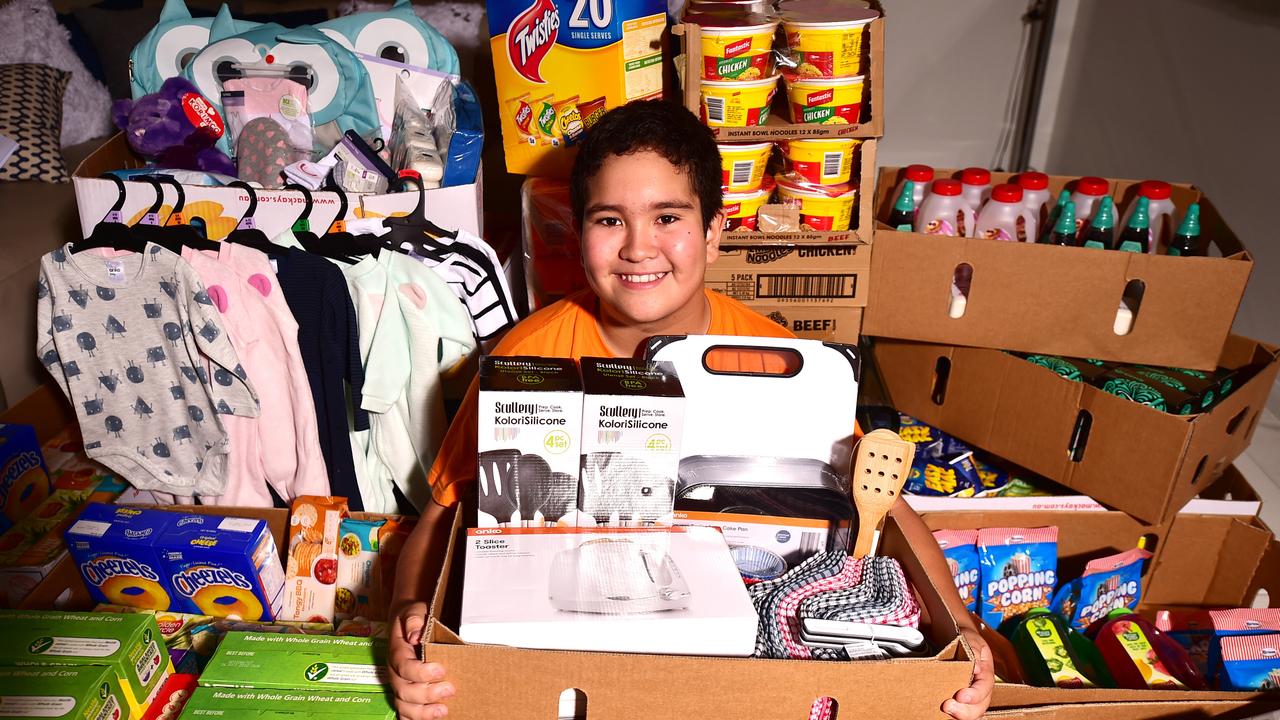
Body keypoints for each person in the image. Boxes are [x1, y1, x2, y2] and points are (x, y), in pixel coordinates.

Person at [387, 100, 994, 720]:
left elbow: (881, 501)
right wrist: (410, 619)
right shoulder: (530, 355)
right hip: (570, 662)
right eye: (609, 220)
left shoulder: (774, 359)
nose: (638, 247)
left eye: (668, 217)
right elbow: (442, 512)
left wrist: (960, 628)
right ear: (577, 232)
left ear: (713, 228)